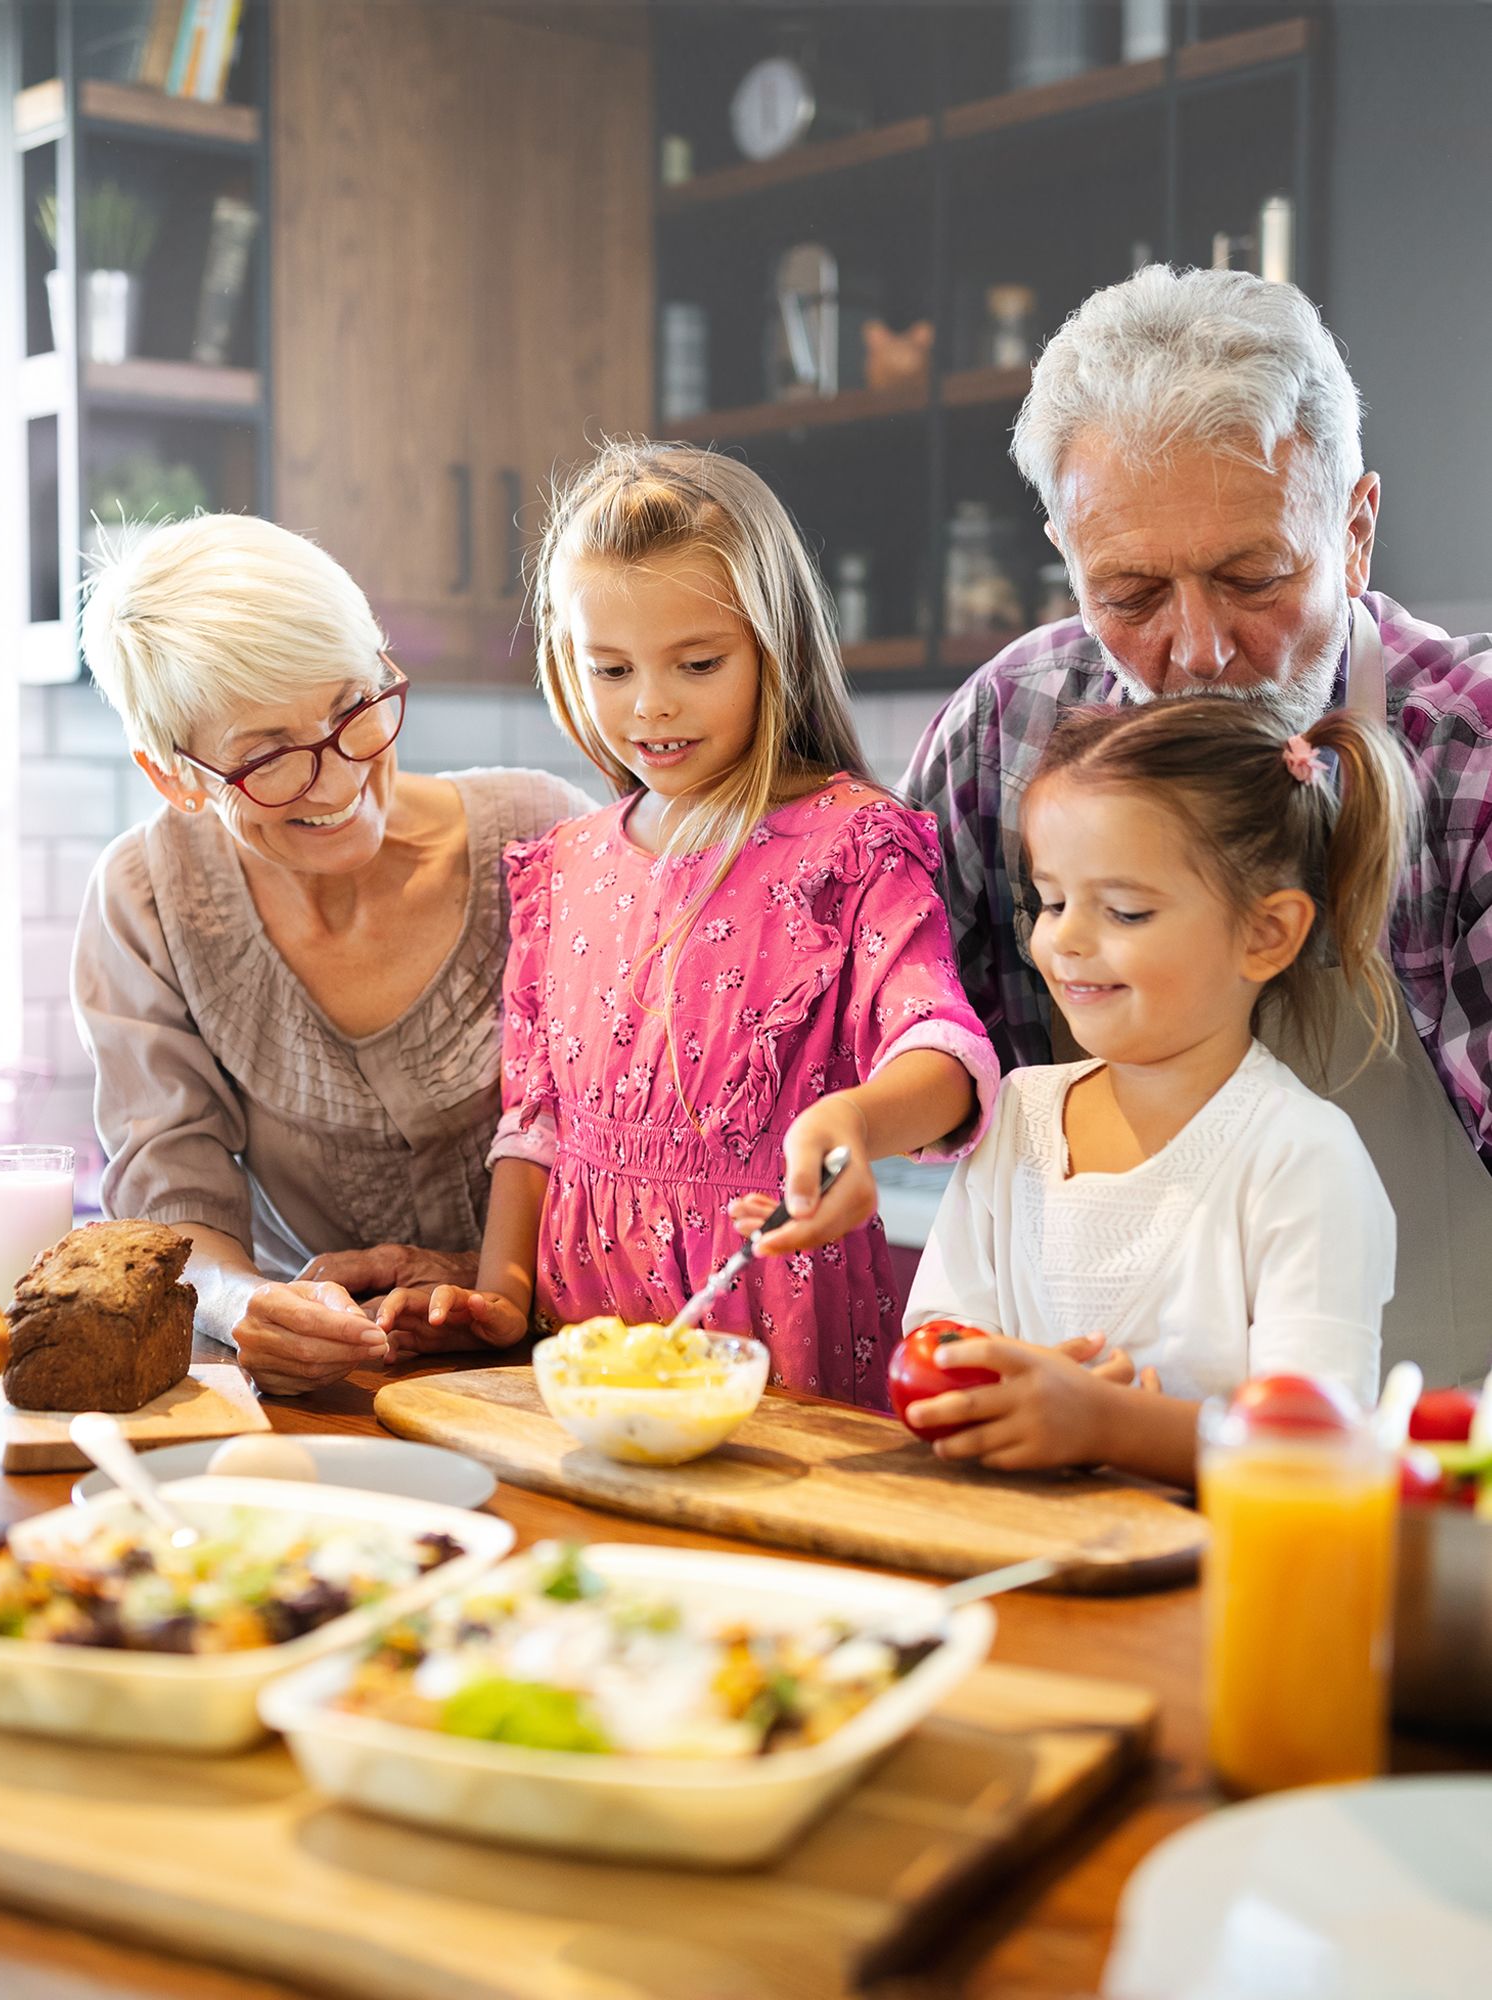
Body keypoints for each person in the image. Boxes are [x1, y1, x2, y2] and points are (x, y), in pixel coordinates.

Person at [905, 264, 1492, 1384]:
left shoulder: (1475, 756)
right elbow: (919, 1035)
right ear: (1066, 551)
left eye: (1254, 575)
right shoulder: (1007, 730)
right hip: (1074, 1475)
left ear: (1356, 530)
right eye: (1128, 592)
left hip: (1436, 1473)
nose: (1203, 649)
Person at [381, 440, 998, 1407]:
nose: (651, 704)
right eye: (611, 668)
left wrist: (854, 1123)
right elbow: (534, 1121)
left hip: (780, 1328)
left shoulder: (854, 844)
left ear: (774, 645)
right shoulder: (561, 868)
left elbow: (943, 1051)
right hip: (580, 1332)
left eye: (698, 663)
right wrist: (500, 1293)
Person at [74, 513, 592, 1395]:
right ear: (173, 775)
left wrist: (490, 1272)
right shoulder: (147, 899)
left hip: (573, 1374)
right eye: (271, 756)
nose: (345, 780)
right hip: (319, 1386)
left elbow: (645, 1142)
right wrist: (243, 1306)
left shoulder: (545, 838)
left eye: (353, 708)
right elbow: (173, 1196)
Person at [900, 695, 1416, 1485]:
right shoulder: (1018, 1117)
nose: (1066, 938)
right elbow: (937, 1335)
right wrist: (987, 1379)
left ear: (1266, 933)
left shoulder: (1302, 1161)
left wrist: (1107, 1424)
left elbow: (1315, 1451)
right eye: (1052, 902)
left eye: (1126, 911)